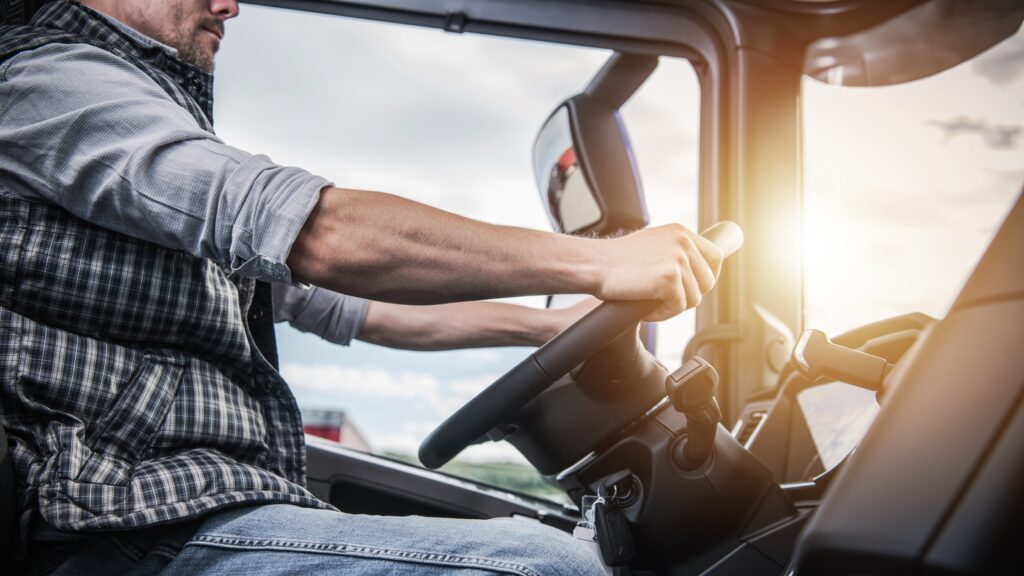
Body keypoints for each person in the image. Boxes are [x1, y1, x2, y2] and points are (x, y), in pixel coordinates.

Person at [0, 0, 723, 574]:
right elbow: (321, 237)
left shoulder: (147, 128)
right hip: (114, 527)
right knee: (545, 569)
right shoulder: (50, 82)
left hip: (184, 515)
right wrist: (597, 261)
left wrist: (544, 327)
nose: (229, 6)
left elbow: (364, 308)